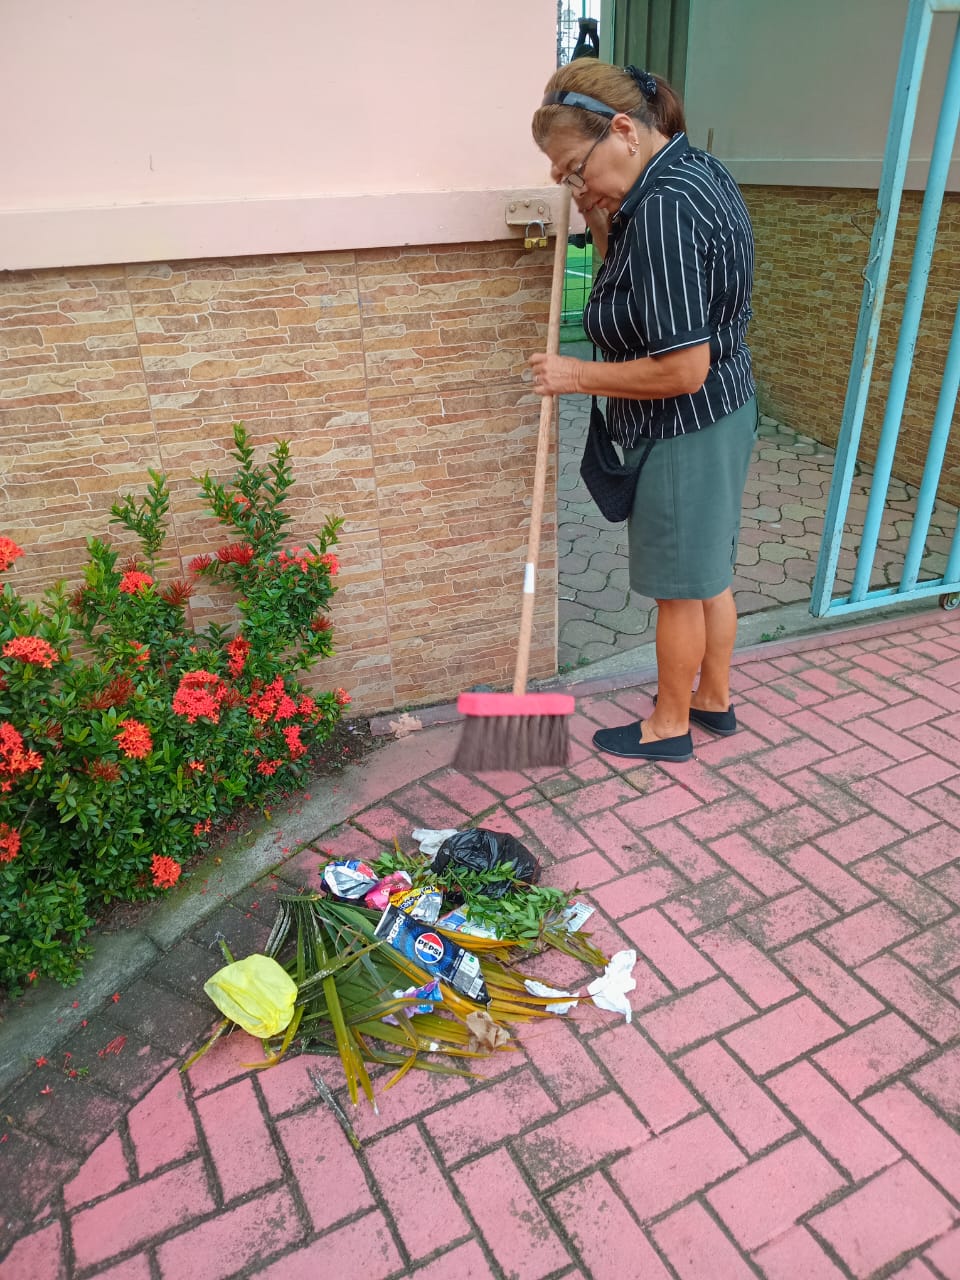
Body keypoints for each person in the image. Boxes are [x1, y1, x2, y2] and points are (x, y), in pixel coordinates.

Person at [529, 61, 757, 762]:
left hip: (683, 427)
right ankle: (712, 699)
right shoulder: (689, 172)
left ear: (624, 130)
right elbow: (634, 287)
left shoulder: (662, 210)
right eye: (565, 179)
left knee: (678, 591)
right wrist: (598, 219)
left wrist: (575, 374)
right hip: (726, 410)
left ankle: (669, 725)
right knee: (709, 575)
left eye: (576, 168)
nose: (576, 186)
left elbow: (682, 368)